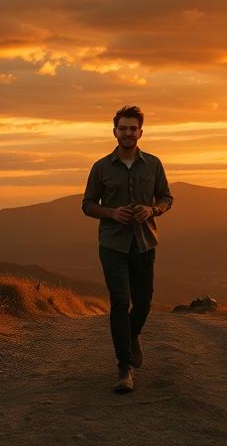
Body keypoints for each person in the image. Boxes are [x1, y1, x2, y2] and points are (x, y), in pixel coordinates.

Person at [82, 104, 173, 393]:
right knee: (121, 302)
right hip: (112, 244)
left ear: (140, 132)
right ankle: (124, 368)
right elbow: (87, 205)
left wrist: (153, 210)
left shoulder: (154, 164)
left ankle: (131, 336)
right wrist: (111, 213)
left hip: (145, 242)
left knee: (143, 302)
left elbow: (166, 197)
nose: (128, 132)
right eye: (123, 128)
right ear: (115, 132)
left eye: (133, 128)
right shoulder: (100, 167)